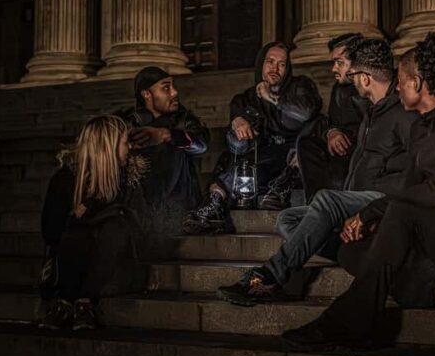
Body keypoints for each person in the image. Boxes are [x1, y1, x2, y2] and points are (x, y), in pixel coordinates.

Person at [282, 33, 435, 350]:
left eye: (401, 81)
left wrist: (372, 209)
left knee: (399, 214)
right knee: (351, 250)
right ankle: (431, 290)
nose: (396, 87)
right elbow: (410, 188)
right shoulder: (420, 126)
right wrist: (369, 219)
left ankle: (348, 321)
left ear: (417, 83)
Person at [218, 38, 418, 306]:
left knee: (326, 200)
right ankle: (358, 250)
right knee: (287, 220)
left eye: (350, 72)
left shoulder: (404, 112)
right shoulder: (371, 111)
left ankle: (268, 276)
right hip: (356, 198)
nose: (345, 77)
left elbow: (418, 173)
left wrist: (371, 212)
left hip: (381, 201)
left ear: (365, 78)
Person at [183, 42, 322, 234]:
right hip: (266, 159)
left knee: (303, 146)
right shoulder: (247, 98)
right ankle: (212, 205)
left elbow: (306, 113)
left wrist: (271, 98)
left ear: (288, 68)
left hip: (296, 159)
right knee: (231, 161)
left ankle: (279, 192)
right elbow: (237, 145)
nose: (275, 69)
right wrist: (237, 123)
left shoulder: (300, 86)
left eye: (281, 64)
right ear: (260, 64)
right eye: (270, 62)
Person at [38, 115, 148, 331]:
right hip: (72, 262)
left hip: (114, 266)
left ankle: (84, 303)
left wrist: (100, 210)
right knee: (76, 231)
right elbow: (51, 233)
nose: (130, 147)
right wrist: (80, 219)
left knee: (115, 226)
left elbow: (141, 226)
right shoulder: (65, 179)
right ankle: (66, 302)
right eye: (125, 142)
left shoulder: (128, 179)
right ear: (107, 147)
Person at [120, 67, 210, 211]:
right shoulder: (129, 122)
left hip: (180, 203)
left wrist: (166, 135)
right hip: (139, 206)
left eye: (173, 86)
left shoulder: (184, 120)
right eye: (166, 88)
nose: (175, 92)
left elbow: (201, 145)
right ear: (146, 94)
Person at [293, 33, 367, 203]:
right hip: (340, 146)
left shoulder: (369, 85)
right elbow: (332, 120)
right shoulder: (339, 88)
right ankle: (315, 203)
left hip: (360, 148)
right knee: (307, 143)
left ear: (356, 63)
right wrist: (332, 132)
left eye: (339, 62)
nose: (333, 68)